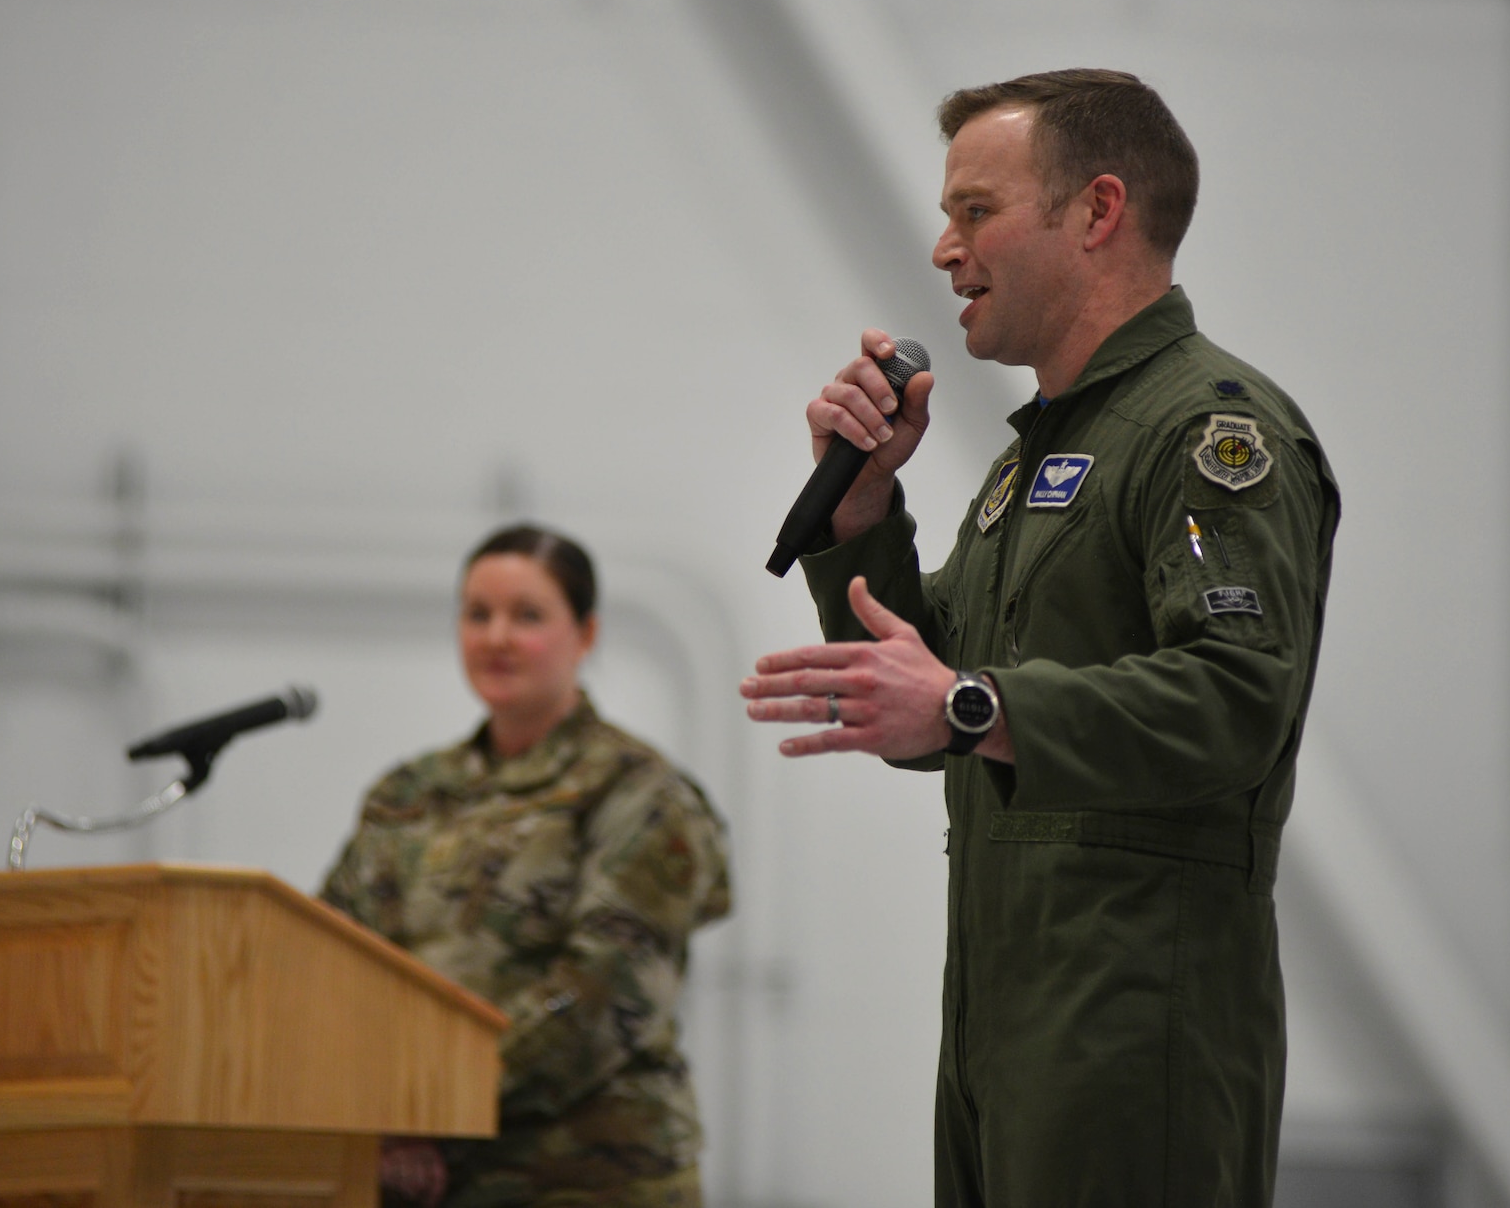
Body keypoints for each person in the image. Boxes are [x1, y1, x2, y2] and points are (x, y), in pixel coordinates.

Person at [740, 69, 1341, 1206]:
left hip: (1129, 1033)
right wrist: (862, 513)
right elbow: (934, 715)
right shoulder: (1039, 460)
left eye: (974, 211)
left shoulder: (1206, 429)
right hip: (998, 1028)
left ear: (1096, 213)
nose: (942, 249)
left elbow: (1234, 698)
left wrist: (976, 705)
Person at [323, 524, 732, 1208]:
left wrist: (431, 1107)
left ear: (586, 633)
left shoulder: (636, 790)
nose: (497, 637)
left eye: (528, 615)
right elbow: (331, 959)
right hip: (419, 1175)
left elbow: (606, 988)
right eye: (477, 614)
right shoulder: (407, 794)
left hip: (588, 1178)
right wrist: (373, 1116)